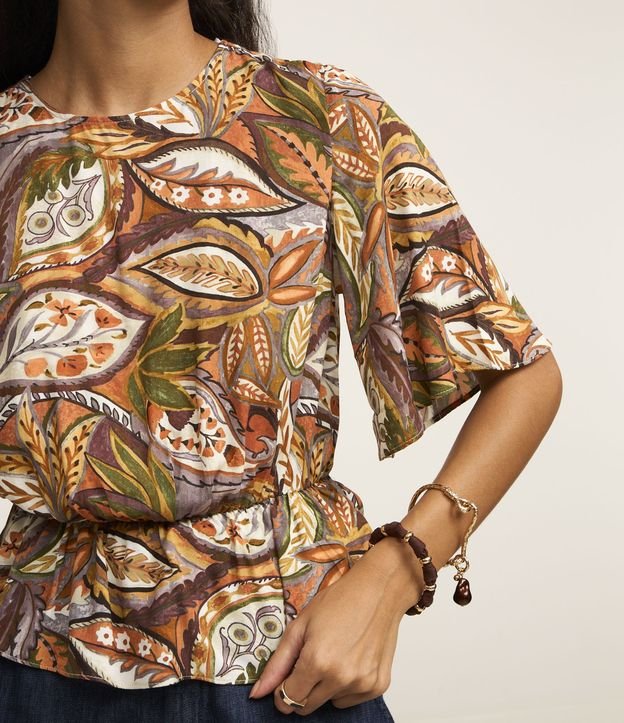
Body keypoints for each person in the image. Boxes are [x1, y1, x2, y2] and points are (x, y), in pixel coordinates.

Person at [0, 1, 562, 721]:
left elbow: (523, 373)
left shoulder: (318, 116)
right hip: (32, 670)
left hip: (279, 673)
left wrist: (398, 569)